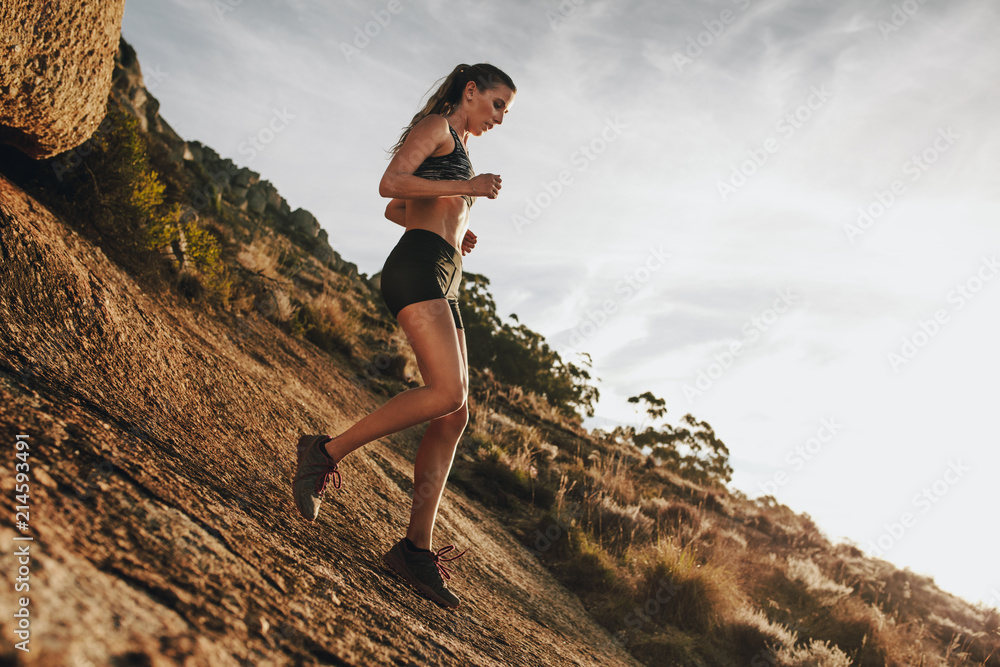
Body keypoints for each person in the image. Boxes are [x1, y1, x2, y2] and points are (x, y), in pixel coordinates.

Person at [291, 63, 516, 609]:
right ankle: (324, 452)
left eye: (506, 111)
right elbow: (388, 185)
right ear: (471, 92)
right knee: (445, 393)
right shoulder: (436, 126)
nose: (501, 118)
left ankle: (414, 549)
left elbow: (401, 208)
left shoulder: (458, 142)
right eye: (497, 105)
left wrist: (453, 227)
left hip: (443, 269)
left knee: (455, 413)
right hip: (416, 268)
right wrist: (465, 189)